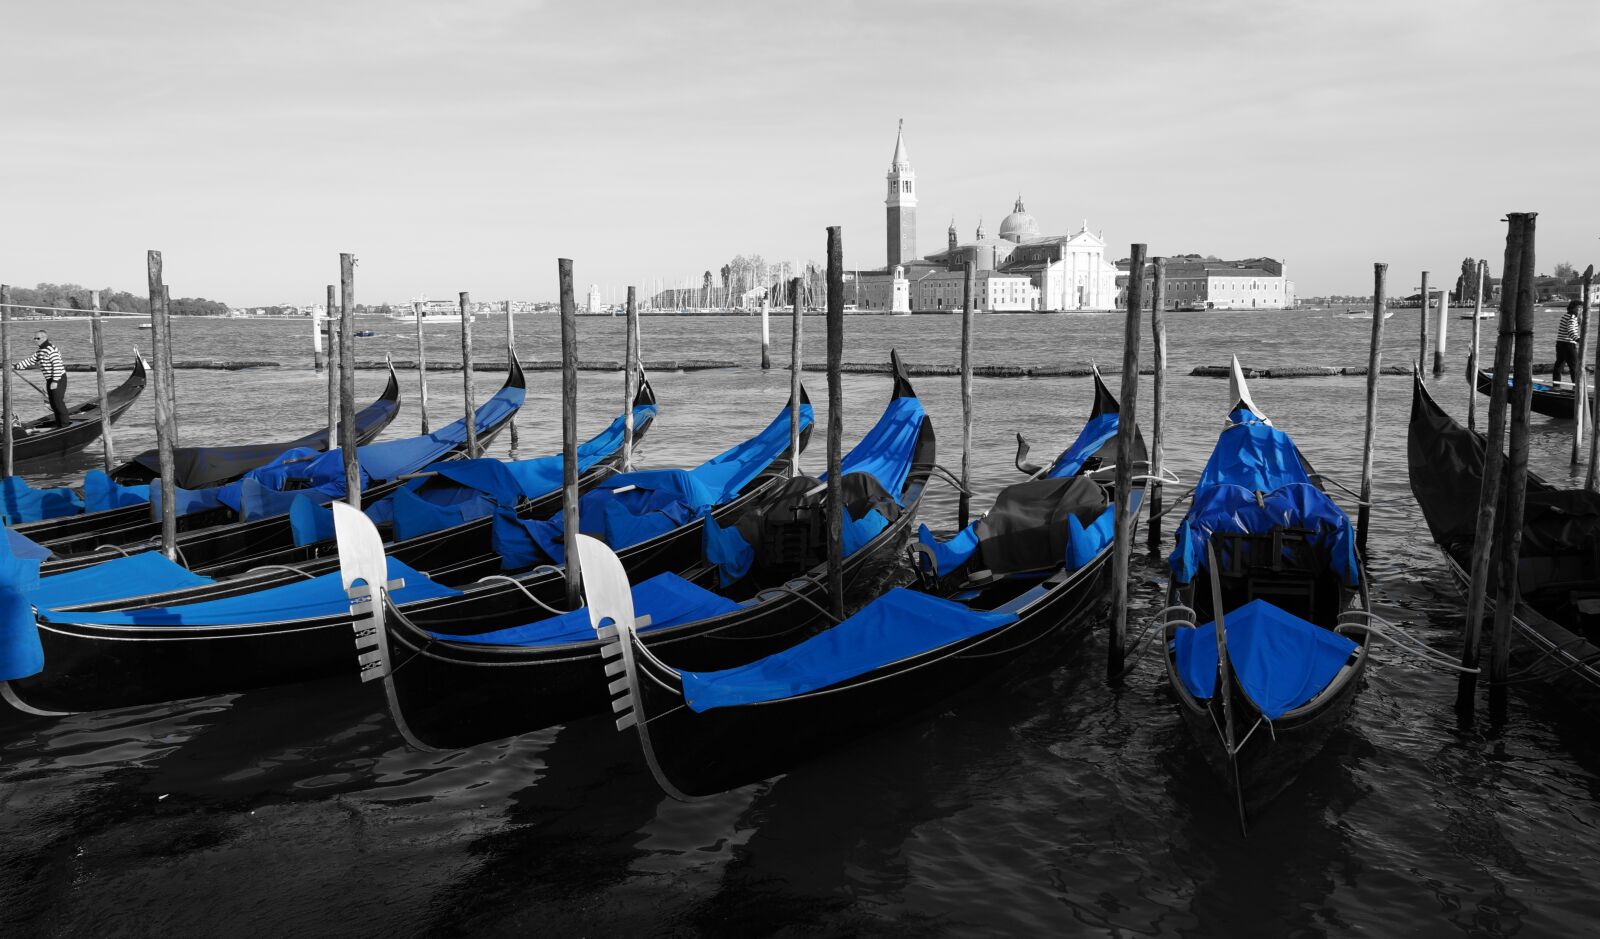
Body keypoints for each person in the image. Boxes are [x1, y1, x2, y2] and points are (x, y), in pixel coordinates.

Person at [13, 329, 69, 428]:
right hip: (50, 380)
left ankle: (65, 426)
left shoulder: (51, 349)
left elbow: (57, 365)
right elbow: (30, 360)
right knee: (53, 403)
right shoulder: (40, 351)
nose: (35, 340)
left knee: (58, 402)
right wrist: (16, 366)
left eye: (37, 338)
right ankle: (59, 424)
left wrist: (55, 381)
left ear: (44, 338)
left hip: (58, 378)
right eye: (34, 338)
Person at [1553, 300, 1582, 384]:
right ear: (1574, 308)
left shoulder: (1566, 315)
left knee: (1559, 364)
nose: (1580, 310)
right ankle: (1575, 387)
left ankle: (1556, 386)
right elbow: (1571, 331)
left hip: (1560, 343)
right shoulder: (1572, 317)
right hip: (1568, 344)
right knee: (1574, 366)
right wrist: (1578, 340)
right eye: (1579, 308)